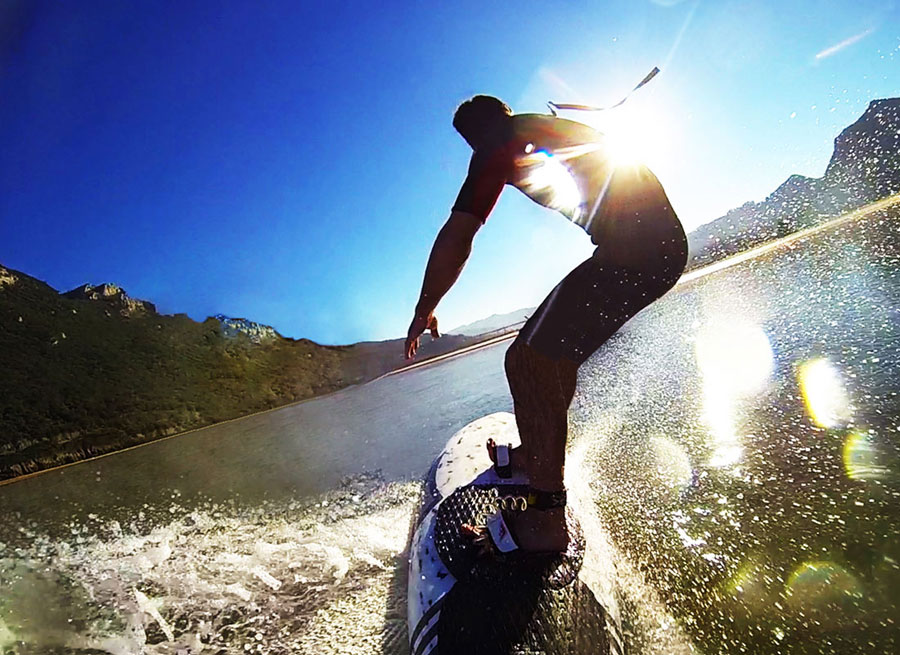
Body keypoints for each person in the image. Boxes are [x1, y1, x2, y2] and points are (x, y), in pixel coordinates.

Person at [404, 95, 687, 553]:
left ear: (488, 126)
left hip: (638, 251)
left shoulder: (502, 142)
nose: (478, 149)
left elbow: (459, 233)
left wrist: (424, 307)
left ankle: (545, 521)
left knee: (526, 360)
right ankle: (535, 456)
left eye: (475, 138)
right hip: (650, 249)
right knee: (553, 358)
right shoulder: (528, 131)